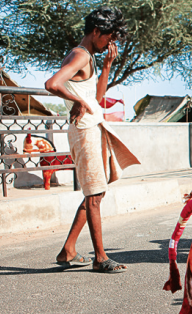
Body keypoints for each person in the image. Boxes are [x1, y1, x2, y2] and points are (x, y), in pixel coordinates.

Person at [45, 6, 140, 273]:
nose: (110, 44)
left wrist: (107, 66)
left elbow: (96, 98)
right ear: (96, 31)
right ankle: (100, 258)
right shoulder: (79, 54)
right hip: (85, 130)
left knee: (95, 191)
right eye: (108, 38)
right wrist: (76, 101)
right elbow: (51, 84)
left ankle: (68, 250)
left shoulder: (89, 57)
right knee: (95, 194)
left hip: (92, 126)